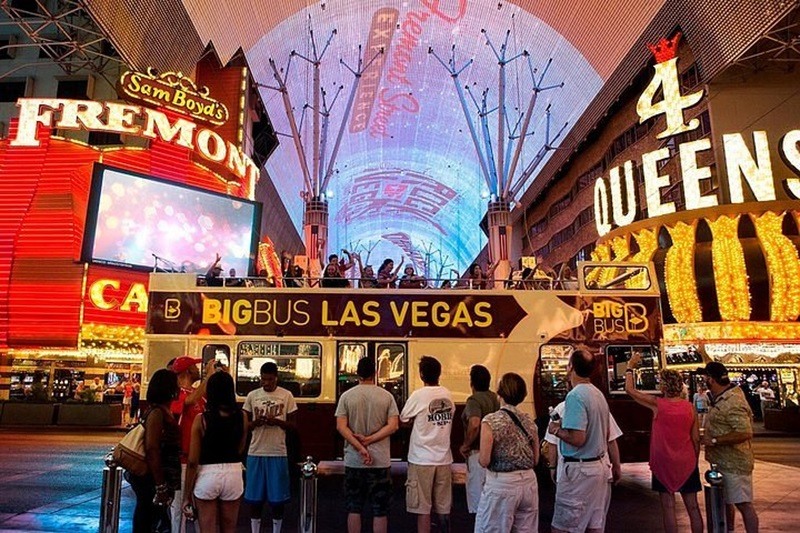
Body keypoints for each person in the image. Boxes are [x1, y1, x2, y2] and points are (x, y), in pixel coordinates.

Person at [625, 353, 703, 533]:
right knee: (693, 507)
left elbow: (630, 390)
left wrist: (630, 366)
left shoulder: (657, 404)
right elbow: (696, 439)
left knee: (668, 507)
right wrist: (694, 461)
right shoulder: (690, 407)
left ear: (664, 386)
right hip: (687, 461)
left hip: (663, 462)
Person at [548, 350, 611, 533]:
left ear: (571, 368)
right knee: (593, 525)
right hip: (598, 468)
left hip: (579, 472)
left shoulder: (575, 396)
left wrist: (557, 430)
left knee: (563, 527)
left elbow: (578, 439)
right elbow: (605, 433)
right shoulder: (598, 395)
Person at [335, 356, 400, 533]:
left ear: (357, 373)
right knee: (380, 509)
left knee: (354, 507)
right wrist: (370, 440)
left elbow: (341, 427)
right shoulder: (387, 396)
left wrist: (360, 447)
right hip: (380, 461)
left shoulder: (347, 396)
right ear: (376, 373)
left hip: (354, 460)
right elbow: (393, 426)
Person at [182, 371, 248, 532]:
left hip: (207, 473)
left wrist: (186, 495)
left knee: (208, 528)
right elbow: (240, 447)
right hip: (234, 473)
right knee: (229, 527)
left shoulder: (201, 419)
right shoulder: (242, 416)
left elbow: (192, 461)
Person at [475, 372, 539, 533]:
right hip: (529, 483)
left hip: (502, 484)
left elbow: (484, 460)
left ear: (500, 394)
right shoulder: (529, 421)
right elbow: (536, 458)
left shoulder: (491, 421)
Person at [699, 362, 759, 533]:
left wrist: (715, 440)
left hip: (735, 464)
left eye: (705, 377)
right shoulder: (722, 396)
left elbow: (744, 432)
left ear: (711, 379)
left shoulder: (733, 401)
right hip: (721, 462)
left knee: (743, 503)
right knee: (726, 501)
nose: (703, 380)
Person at [399, 356, 455, 533]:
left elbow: (403, 418)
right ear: (439, 373)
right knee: (444, 506)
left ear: (421, 374)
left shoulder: (418, 395)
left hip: (421, 458)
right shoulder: (448, 395)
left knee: (423, 508)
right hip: (444, 458)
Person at [243, 362, 298, 533]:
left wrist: (277, 422)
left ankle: (276, 529)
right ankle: (255, 529)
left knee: (277, 499)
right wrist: (255, 422)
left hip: (278, 452)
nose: (266, 383)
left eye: (270, 380)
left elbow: (294, 425)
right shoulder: (252, 396)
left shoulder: (286, 395)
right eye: (263, 379)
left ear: (276, 378)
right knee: (254, 498)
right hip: (255, 450)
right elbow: (244, 425)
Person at [128, 369, 181, 533]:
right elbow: (152, 448)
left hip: (158, 476)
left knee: (153, 517)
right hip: (152, 478)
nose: (179, 389)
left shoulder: (160, 411)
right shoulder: (157, 413)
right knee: (149, 518)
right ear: (169, 389)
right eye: (176, 385)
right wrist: (160, 485)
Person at [170, 357, 215, 533]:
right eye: (195, 366)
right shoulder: (176, 394)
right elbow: (188, 402)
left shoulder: (198, 396)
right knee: (179, 507)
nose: (198, 369)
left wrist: (214, 377)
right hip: (181, 460)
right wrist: (208, 377)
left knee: (200, 507)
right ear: (188, 371)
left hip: (199, 460)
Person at [458, 365, 500, 514]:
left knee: (478, 501)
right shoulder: (495, 398)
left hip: (477, 453)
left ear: (472, 383)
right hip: (495, 453)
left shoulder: (474, 400)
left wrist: (465, 445)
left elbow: (475, 424)